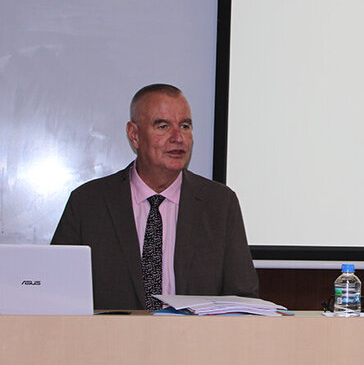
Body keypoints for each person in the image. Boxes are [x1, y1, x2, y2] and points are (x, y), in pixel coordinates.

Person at [52, 84, 258, 310]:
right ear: (134, 135)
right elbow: (57, 292)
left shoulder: (219, 203)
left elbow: (243, 299)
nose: (178, 138)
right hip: (111, 333)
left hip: (192, 333)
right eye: (163, 126)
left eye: (185, 126)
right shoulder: (88, 203)